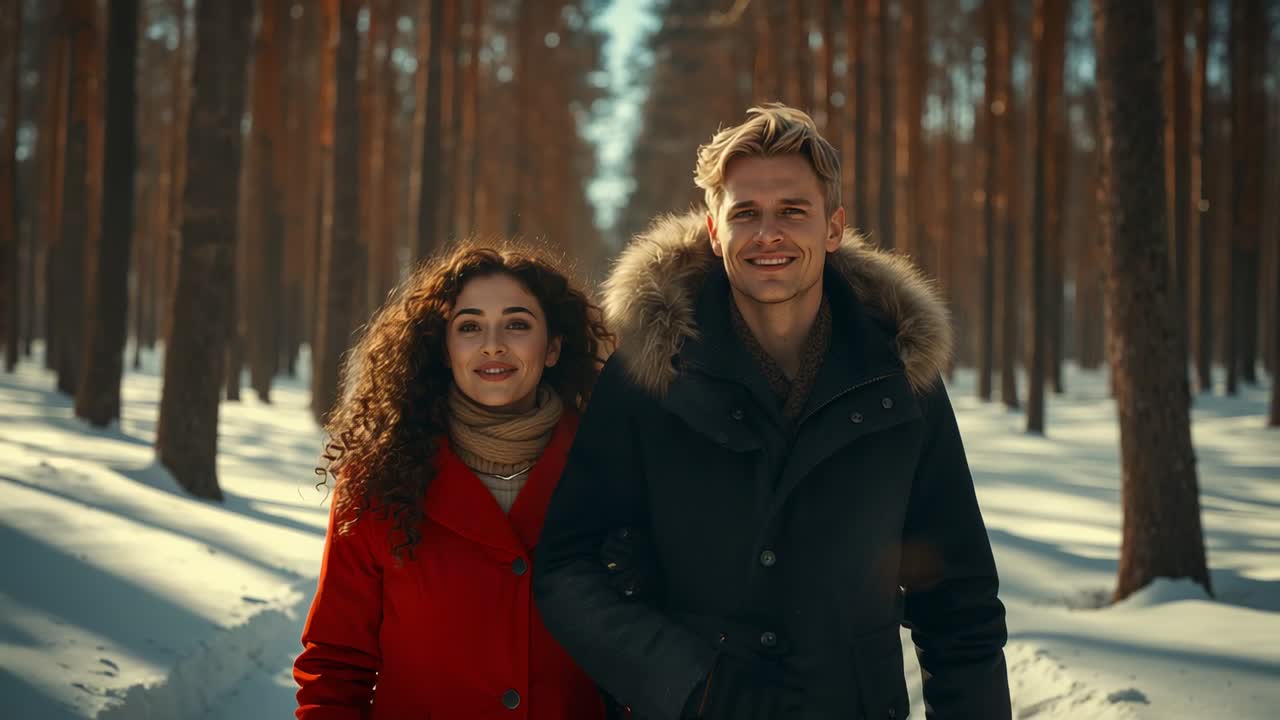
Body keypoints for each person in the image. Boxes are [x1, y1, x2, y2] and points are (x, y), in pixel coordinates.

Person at [534, 104, 1011, 719]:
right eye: (745, 214)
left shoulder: (899, 376)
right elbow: (567, 569)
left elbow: (960, 602)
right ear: (713, 231)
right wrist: (687, 684)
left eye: (792, 211)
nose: (768, 234)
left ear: (832, 228)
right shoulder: (651, 373)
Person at [295, 243, 614, 720]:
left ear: (552, 347)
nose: (493, 344)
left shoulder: (613, 473)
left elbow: (645, 657)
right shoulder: (379, 481)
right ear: (443, 350)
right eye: (469, 326)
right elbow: (336, 666)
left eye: (517, 323)